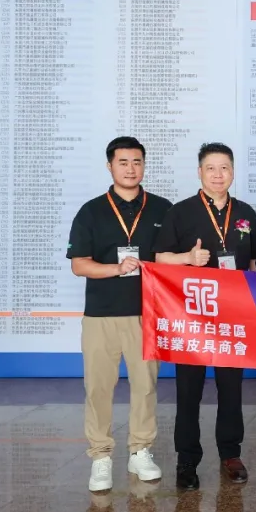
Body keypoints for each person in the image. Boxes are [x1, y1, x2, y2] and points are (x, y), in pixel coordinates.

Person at [154, 142, 256, 490]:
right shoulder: (180, 212)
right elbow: (159, 259)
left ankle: (231, 454)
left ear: (233, 172)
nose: (218, 175)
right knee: (188, 391)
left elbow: (255, 262)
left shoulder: (246, 213)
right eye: (211, 168)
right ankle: (187, 460)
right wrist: (188, 258)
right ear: (199, 172)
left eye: (225, 168)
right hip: (192, 317)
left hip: (233, 316)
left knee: (231, 389)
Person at [67, 136, 172, 492]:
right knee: (98, 387)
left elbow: (172, 260)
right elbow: (79, 265)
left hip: (147, 314)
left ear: (144, 165)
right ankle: (100, 456)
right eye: (123, 162)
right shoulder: (92, 211)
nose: (131, 168)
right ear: (110, 165)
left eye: (137, 162)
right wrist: (116, 268)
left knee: (145, 386)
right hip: (102, 315)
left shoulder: (162, 209)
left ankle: (140, 451)